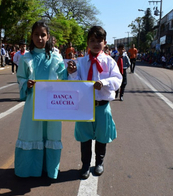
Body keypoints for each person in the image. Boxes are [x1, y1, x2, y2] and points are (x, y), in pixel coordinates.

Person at [67, 26, 122, 179]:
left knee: (102, 136)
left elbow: (118, 79)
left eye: (99, 41)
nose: (96, 44)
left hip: (102, 106)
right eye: (92, 40)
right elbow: (76, 83)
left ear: (105, 43)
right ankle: (85, 164)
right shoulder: (81, 62)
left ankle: (99, 162)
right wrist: (72, 73)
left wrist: (104, 83)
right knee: (84, 137)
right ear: (87, 43)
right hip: (84, 106)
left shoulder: (109, 62)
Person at [15, 21, 67, 179]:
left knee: (51, 131)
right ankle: (29, 169)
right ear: (31, 36)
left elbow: (64, 77)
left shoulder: (56, 57)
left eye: (43, 35)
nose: (39, 38)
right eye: (36, 34)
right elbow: (20, 78)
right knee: (32, 131)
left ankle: (49, 169)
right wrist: (27, 84)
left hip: (52, 103)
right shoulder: (26, 58)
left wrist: (70, 71)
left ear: (48, 37)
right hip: (33, 103)